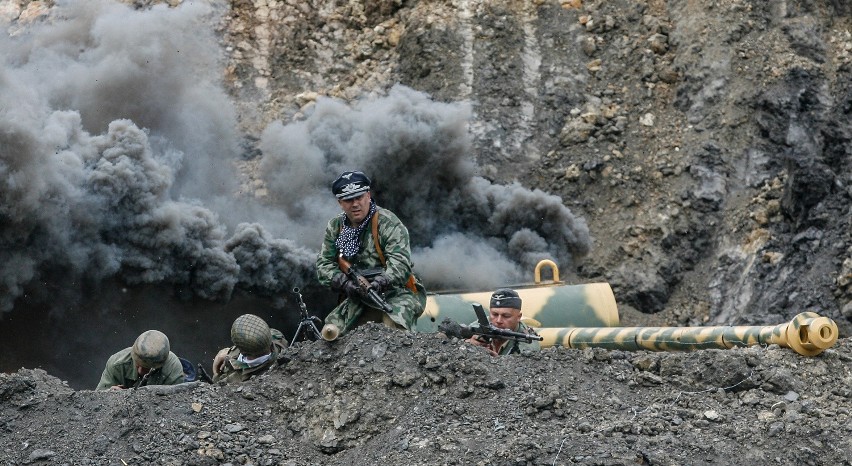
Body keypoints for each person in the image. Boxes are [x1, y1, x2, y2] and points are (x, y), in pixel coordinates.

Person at [316, 170, 426, 338]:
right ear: (340, 203)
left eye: (359, 197)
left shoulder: (387, 222)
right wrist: (344, 283)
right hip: (357, 295)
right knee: (331, 334)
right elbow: (324, 264)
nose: (355, 204)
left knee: (394, 329)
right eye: (348, 200)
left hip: (396, 292)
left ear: (368, 195)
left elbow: (401, 264)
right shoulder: (336, 226)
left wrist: (382, 281)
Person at [96, 330, 185, 390]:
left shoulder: (172, 370)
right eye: (138, 364)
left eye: (147, 368)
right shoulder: (117, 364)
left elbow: (173, 407)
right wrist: (108, 396)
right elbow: (96, 401)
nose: (140, 371)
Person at [212, 314, 288, 383]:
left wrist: (216, 374)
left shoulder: (235, 380)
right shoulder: (278, 337)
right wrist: (229, 352)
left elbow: (215, 385)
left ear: (243, 352)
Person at [466, 288, 541, 356]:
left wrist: (496, 361)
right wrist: (468, 344)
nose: (498, 321)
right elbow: (461, 335)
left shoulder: (527, 345)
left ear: (518, 317)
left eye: (506, 316)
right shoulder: (483, 323)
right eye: (495, 314)